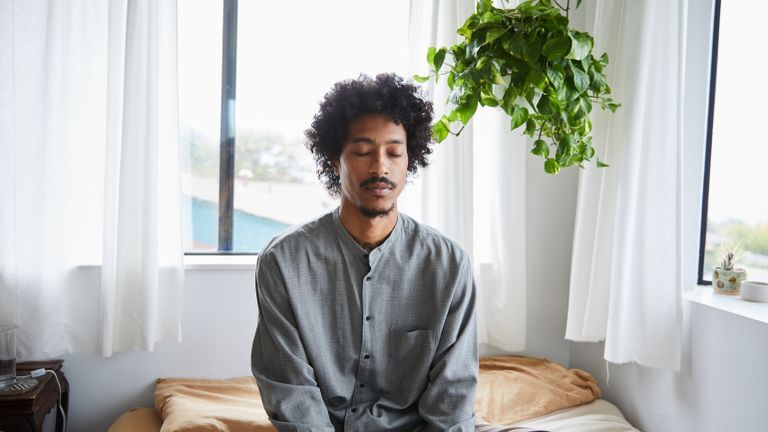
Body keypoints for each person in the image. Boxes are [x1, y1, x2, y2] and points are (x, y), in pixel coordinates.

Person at [251, 73, 477, 431]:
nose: (380, 167)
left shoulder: (449, 265)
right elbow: (292, 392)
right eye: (362, 151)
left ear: (410, 160)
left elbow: (453, 395)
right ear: (334, 160)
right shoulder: (283, 262)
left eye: (394, 152)